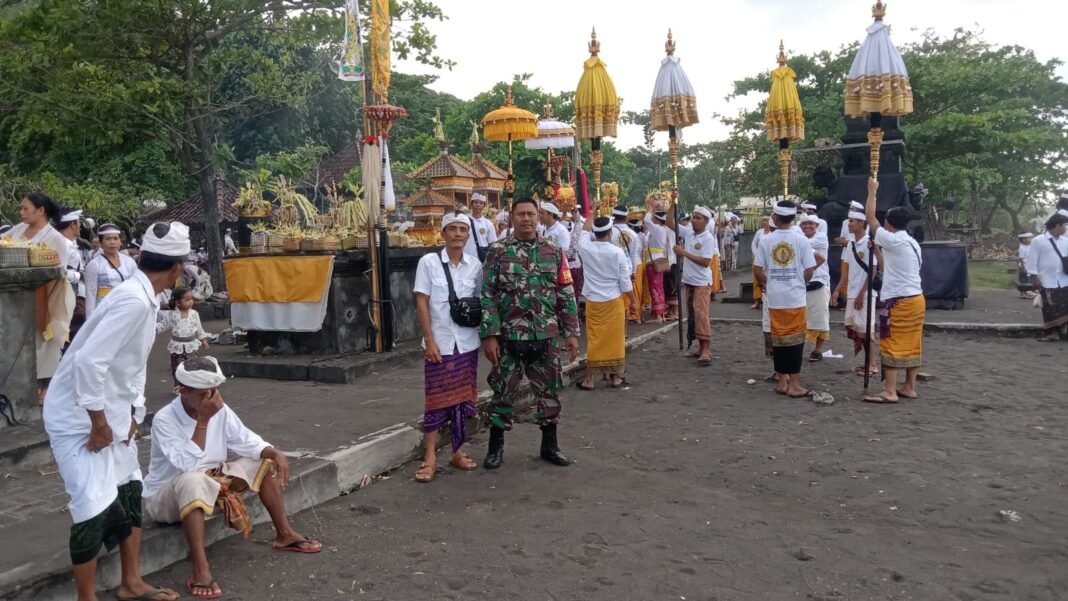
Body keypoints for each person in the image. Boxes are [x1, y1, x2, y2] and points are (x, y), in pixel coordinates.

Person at [42, 221, 189, 601]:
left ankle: (131, 582)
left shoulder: (145, 297)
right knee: (91, 507)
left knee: (129, 491)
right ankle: (86, 597)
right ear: (177, 267)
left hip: (114, 412)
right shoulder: (134, 300)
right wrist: (99, 424)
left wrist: (135, 412)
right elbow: (89, 362)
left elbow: (132, 363)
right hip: (78, 416)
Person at [143, 357, 319, 600]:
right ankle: (200, 570)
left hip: (212, 483)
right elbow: (189, 464)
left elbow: (246, 440)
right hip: (167, 500)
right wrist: (203, 421)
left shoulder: (219, 410)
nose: (212, 399)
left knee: (263, 463)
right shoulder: (165, 419)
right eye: (204, 394)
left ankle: (285, 534)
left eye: (215, 391)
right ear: (182, 390)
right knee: (193, 480)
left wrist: (274, 453)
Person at [480, 197, 580, 470]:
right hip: (508, 339)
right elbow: (487, 294)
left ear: (538, 217)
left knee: (550, 393)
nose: (526, 219)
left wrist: (571, 333)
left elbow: (565, 293)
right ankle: (495, 448)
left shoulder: (554, 251)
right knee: (502, 393)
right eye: (521, 214)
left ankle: (550, 446)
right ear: (511, 218)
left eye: (531, 214)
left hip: (545, 337)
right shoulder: (498, 251)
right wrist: (489, 335)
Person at [412, 212, 482, 483]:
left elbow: (480, 303)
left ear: (468, 235)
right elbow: (422, 303)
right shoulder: (428, 262)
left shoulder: (475, 266)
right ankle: (429, 457)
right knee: (435, 400)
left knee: (463, 401)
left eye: (463, 229)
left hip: (467, 343)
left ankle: (457, 451)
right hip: (440, 344)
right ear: (443, 233)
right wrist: (429, 340)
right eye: (452, 229)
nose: (458, 234)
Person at [5, 192, 74, 398]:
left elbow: (60, 273)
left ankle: (42, 388)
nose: (21, 212)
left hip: (44, 296)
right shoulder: (18, 230)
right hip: (13, 297)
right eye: (21, 208)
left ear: (41, 210)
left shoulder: (55, 238)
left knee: (42, 344)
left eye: (25, 208)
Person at [863, 179, 926, 403]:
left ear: (888, 223)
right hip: (916, 298)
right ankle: (909, 386)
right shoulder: (910, 242)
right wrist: (877, 251)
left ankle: (890, 391)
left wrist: (872, 191)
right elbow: (886, 267)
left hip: (899, 300)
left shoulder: (893, 239)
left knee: (890, 341)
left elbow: (870, 218)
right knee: (912, 342)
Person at [753, 201, 817, 397]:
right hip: (795, 297)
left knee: (778, 339)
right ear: (793, 218)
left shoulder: (766, 240)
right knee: (796, 340)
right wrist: (799, 283)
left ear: (775, 217)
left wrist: (768, 284)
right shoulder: (802, 240)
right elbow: (809, 269)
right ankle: (794, 384)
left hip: (775, 297)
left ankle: (782, 381)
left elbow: (757, 269)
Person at [574, 215, 636, 390]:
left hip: (594, 302)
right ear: (610, 233)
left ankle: (589, 379)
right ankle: (616, 377)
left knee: (594, 340)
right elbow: (625, 282)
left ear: (595, 233)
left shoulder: (585, 247)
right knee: (615, 340)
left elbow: (584, 230)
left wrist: (592, 211)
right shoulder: (617, 252)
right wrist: (633, 301)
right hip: (613, 301)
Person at [667, 203, 717, 364]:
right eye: (693, 217)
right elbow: (669, 223)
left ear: (706, 221)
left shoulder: (708, 238)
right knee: (693, 315)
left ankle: (706, 350)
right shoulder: (688, 232)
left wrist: (684, 253)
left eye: (698, 218)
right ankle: (700, 348)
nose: (694, 220)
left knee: (701, 315)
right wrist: (673, 203)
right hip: (689, 280)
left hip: (701, 281)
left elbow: (706, 262)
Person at [832, 211, 880, 377]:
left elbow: (872, 271)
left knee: (866, 330)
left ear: (861, 223)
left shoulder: (868, 244)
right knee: (858, 329)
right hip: (853, 292)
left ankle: (872, 364)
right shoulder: (851, 244)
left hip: (865, 294)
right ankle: (867, 362)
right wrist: (838, 290)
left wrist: (861, 294)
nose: (849, 224)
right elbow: (846, 272)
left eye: (852, 221)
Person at [157, 286, 212, 385]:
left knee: (192, 367)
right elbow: (163, 325)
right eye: (187, 300)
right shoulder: (171, 314)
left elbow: (199, 329)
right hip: (177, 346)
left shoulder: (194, 314)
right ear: (178, 303)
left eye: (191, 299)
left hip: (191, 346)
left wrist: (203, 340)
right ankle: (178, 386)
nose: (190, 302)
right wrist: (152, 329)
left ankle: (191, 386)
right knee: (177, 368)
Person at [1026, 212, 1068, 342]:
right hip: (1047, 279)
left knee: (1065, 306)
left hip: (1064, 279)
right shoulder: (1039, 240)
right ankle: (1053, 333)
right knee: (1050, 308)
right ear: (1057, 226)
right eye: (1064, 225)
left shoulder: (1065, 241)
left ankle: (1063, 331)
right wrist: (1034, 277)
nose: (1066, 228)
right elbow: (1032, 260)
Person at [84, 224, 138, 317]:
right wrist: (90, 321)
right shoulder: (94, 265)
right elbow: (90, 296)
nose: (112, 242)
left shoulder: (130, 262)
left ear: (120, 241)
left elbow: (136, 288)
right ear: (101, 243)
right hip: (104, 314)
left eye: (115, 238)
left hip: (127, 311)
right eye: (108, 239)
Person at [800, 215, 831, 362]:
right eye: (804, 223)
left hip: (819, 280)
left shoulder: (821, 237)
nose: (807, 226)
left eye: (810, 223)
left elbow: (804, 245)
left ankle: (818, 350)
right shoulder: (799, 237)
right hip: (802, 281)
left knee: (820, 318)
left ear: (817, 225)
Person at [58, 210, 88, 347]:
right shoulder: (63, 244)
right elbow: (59, 272)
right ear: (73, 224)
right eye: (79, 223)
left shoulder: (70, 243)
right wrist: (80, 275)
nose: (80, 226)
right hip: (68, 296)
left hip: (76, 296)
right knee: (71, 339)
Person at [610, 205, 642, 323]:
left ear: (614, 216)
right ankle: (630, 320)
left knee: (616, 295)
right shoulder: (633, 233)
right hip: (628, 268)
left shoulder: (609, 232)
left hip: (613, 268)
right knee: (629, 294)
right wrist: (633, 271)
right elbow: (634, 255)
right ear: (626, 218)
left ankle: (620, 320)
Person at [642, 203, 672, 323]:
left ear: (657, 219)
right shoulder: (661, 230)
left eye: (653, 218)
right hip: (658, 259)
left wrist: (649, 211)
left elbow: (646, 220)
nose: (652, 219)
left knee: (655, 288)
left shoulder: (658, 229)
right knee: (658, 287)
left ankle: (658, 315)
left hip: (653, 261)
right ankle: (660, 313)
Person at [464, 193, 498, 262]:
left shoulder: (488, 224)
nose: (478, 205)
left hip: (481, 260)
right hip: (466, 258)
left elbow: (492, 244)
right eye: (475, 202)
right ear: (471, 204)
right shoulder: (465, 221)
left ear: (484, 206)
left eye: (481, 203)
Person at [750, 216, 771, 309]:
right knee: (756, 279)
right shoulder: (760, 232)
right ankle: (757, 301)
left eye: (766, 220)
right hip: (758, 259)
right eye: (763, 220)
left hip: (769, 259)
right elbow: (753, 244)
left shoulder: (773, 233)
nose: (764, 222)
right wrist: (756, 254)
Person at [1017, 232, 1036, 299]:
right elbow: (1021, 259)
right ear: (1023, 240)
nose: (1030, 240)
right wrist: (1023, 267)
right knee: (1023, 279)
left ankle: (1027, 293)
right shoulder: (1022, 248)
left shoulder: (1030, 246)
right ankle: (1022, 293)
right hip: (1024, 265)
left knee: (1028, 280)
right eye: (1029, 238)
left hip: (1029, 265)